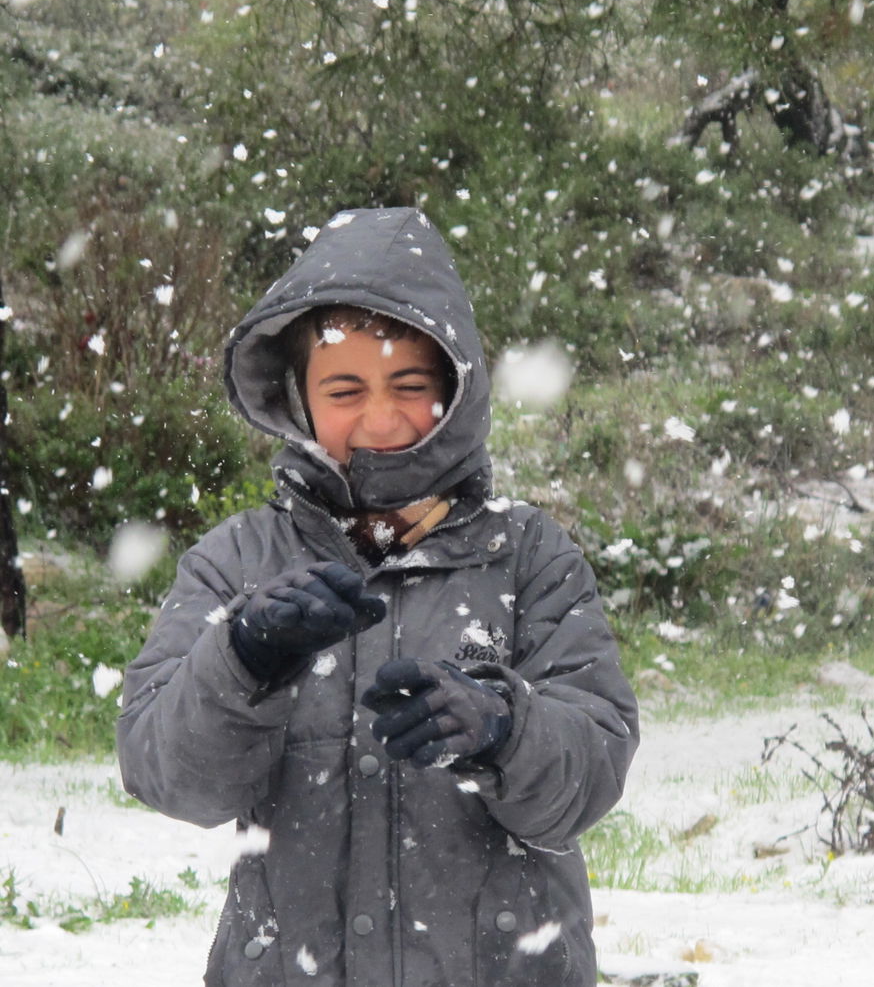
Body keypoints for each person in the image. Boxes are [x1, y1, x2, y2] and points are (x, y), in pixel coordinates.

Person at [117, 207, 639, 987]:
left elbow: (588, 775)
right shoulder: (237, 560)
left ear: (456, 392)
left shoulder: (530, 556)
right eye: (346, 387)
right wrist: (244, 657)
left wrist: (503, 727)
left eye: (409, 384)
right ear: (299, 398)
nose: (381, 416)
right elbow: (168, 776)